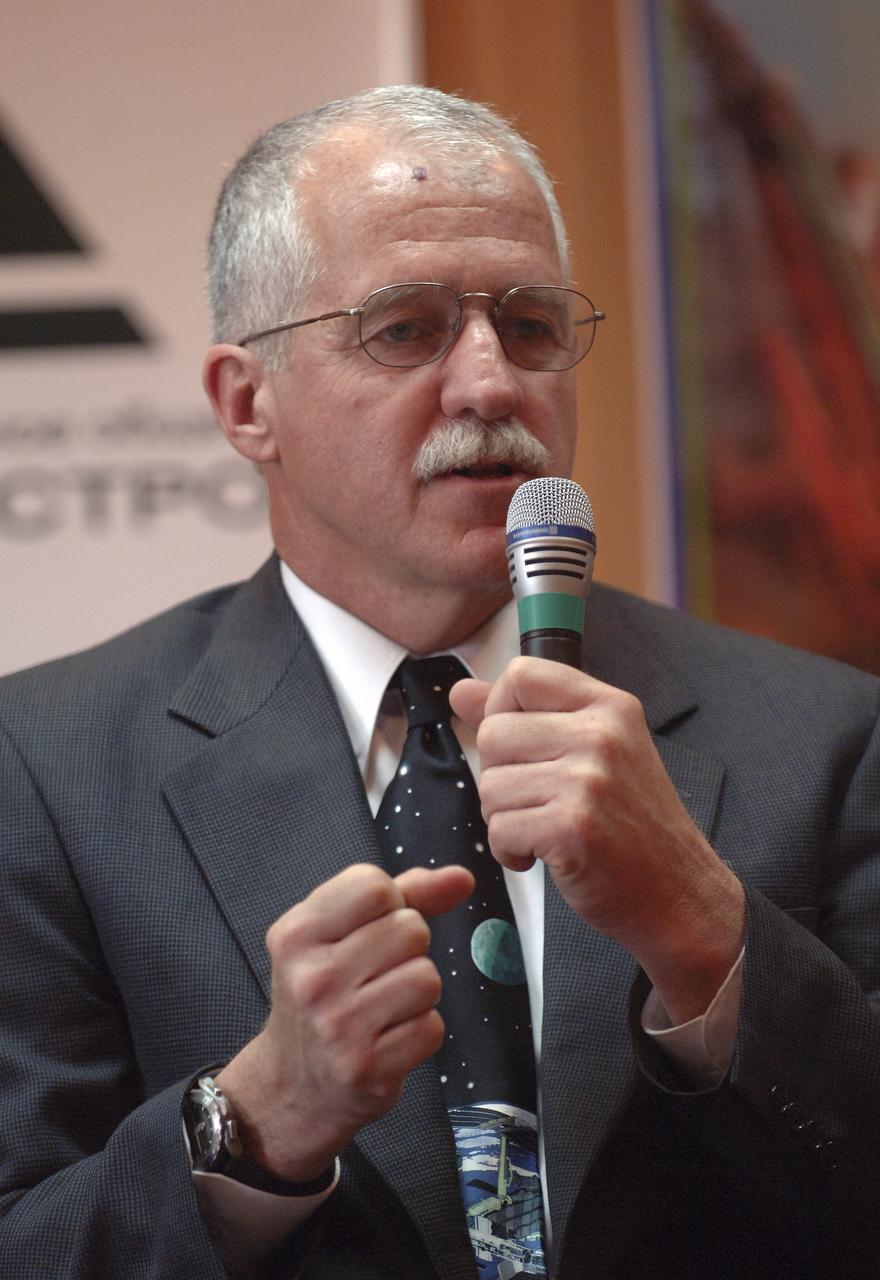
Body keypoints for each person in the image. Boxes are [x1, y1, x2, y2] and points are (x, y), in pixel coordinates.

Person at [0, 85, 878, 1280]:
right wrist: (254, 1119)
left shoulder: (821, 733)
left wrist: (704, 933)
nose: (491, 385)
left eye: (528, 325)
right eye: (405, 329)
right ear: (246, 403)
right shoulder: (46, 765)